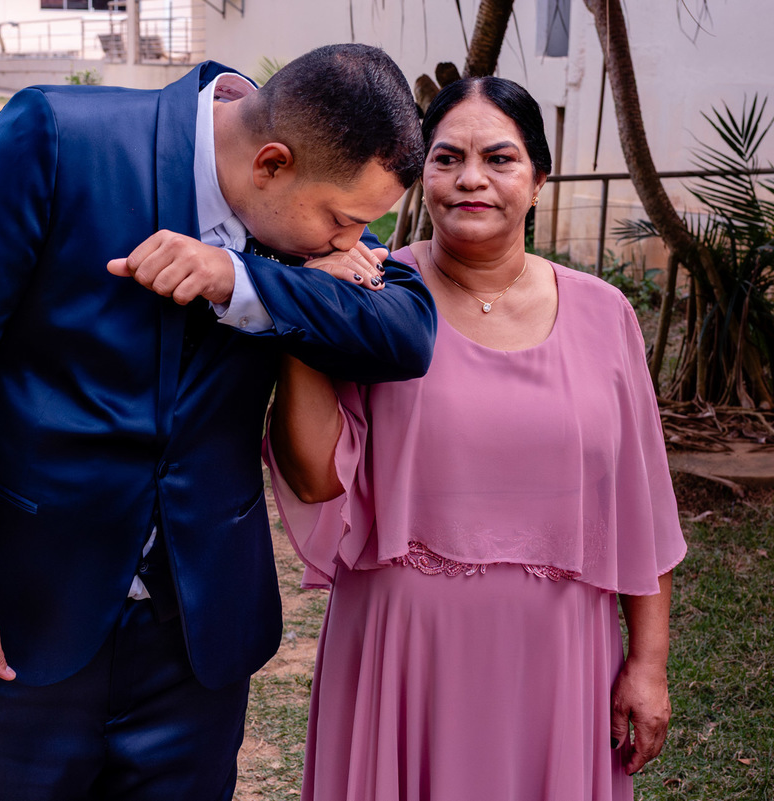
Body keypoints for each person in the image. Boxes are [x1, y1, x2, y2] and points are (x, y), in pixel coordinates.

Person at [0, 45, 437, 801]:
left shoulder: (310, 202)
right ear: (271, 164)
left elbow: (406, 332)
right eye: (342, 223)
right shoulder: (56, 136)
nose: (349, 246)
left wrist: (240, 278)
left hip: (200, 636)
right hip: (27, 616)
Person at [265, 76, 687, 801]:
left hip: (561, 658)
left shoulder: (605, 314)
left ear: (539, 178)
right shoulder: (373, 296)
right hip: (404, 653)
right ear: (419, 174)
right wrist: (311, 310)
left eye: (499, 158)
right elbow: (314, 477)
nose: (471, 179)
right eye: (446, 158)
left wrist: (648, 665)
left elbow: (641, 505)